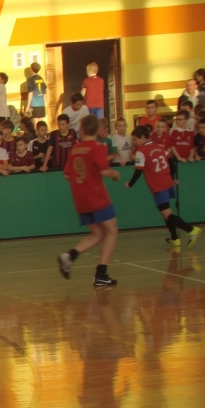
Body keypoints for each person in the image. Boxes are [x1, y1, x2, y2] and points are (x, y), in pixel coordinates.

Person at [57, 114, 120, 286]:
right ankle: (101, 274)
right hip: (97, 196)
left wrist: (81, 180)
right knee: (112, 232)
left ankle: (69, 256)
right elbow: (103, 171)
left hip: (81, 199)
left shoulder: (75, 149)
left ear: (82, 130)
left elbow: (66, 175)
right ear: (97, 130)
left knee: (98, 233)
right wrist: (115, 174)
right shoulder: (98, 147)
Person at [125, 126, 202, 248]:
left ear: (142, 137)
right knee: (166, 212)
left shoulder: (141, 151)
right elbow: (171, 161)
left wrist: (130, 183)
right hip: (167, 183)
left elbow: (138, 171)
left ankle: (191, 229)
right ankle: (175, 238)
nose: (134, 142)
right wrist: (171, 177)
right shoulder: (159, 146)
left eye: (135, 139)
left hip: (158, 186)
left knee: (167, 214)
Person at [169, 111, 195, 178]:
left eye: (180, 119)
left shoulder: (190, 133)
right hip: (176, 161)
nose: (178, 121)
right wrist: (179, 158)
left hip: (187, 161)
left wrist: (191, 156)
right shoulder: (174, 132)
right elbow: (172, 146)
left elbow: (192, 147)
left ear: (186, 120)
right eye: (176, 119)